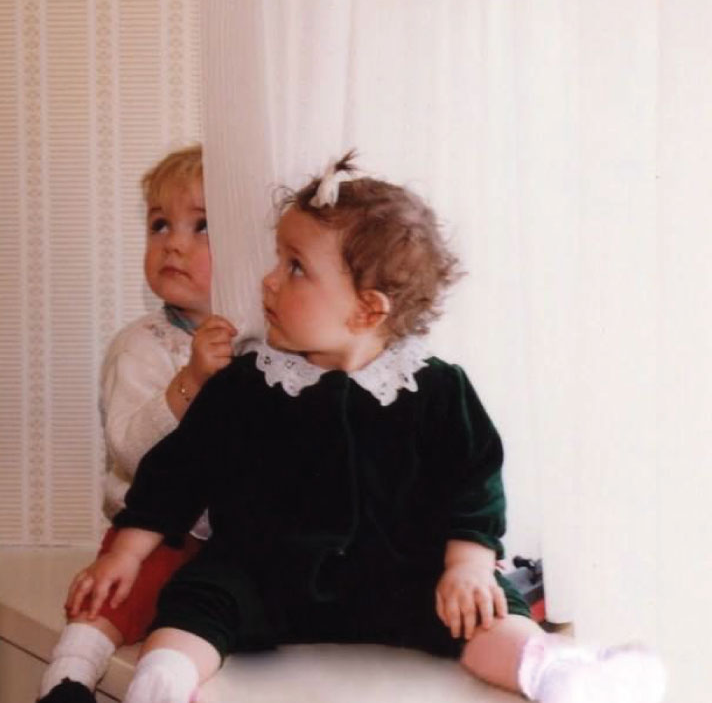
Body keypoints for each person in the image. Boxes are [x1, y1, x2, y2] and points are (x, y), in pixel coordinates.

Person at [68, 154, 667, 703]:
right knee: (199, 598)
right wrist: (127, 553)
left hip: (402, 580)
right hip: (264, 575)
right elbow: (178, 471)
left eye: (295, 268)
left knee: (483, 609)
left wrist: (467, 564)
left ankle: (557, 673)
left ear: (367, 309)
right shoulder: (249, 382)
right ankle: (164, 679)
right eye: (278, 260)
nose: (269, 280)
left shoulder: (435, 389)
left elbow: (474, 484)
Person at [38, 146, 234, 703]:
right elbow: (130, 450)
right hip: (155, 533)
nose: (173, 243)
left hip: (234, 542)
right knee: (114, 589)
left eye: (201, 226)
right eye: (159, 225)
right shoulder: (142, 345)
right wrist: (190, 380)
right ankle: (71, 673)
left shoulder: (265, 346)